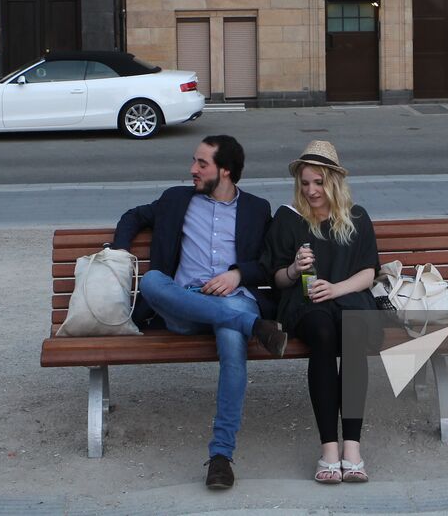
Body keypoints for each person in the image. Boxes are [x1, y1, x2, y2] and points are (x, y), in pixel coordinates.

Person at [112, 134, 288, 491]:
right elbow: (133, 216)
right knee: (153, 282)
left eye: (201, 164)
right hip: (183, 306)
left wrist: (237, 274)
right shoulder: (176, 199)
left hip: (233, 299)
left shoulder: (256, 208)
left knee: (230, 334)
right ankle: (255, 326)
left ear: (224, 171)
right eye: (194, 161)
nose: (192, 169)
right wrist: (117, 250)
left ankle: (221, 457)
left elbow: (269, 263)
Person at [262, 140, 380, 484]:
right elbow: (276, 279)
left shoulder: (356, 217)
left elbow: (368, 273)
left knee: (354, 334)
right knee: (324, 335)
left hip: (349, 299)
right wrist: (296, 269)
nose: (311, 191)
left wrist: (336, 288)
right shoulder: (288, 218)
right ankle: (329, 449)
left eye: (318, 182)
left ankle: (352, 449)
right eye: (305, 183)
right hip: (306, 304)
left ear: (334, 181)